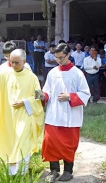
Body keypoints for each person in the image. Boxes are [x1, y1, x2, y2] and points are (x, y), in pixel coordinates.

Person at [0, 49, 44, 176]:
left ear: (24, 61)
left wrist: (25, 102)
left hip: (25, 115)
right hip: (9, 116)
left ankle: (22, 172)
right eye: (12, 62)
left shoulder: (31, 77)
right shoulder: (7, 74)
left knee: (23, 141)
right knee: (11, 141)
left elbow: (39, 96)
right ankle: (12, 173)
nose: (14, 65)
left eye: (17, 62)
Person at [41, 43, 91, 182]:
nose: (58, 60)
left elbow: (86, 93)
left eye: (61, 57)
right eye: (56, 57)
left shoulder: (77, 73)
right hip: (54, 114)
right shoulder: (53, 72)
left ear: (68, 55)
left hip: (71, 115)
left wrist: (70, 97)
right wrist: (43, 96)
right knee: (51, 142)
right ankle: (54, 170)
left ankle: (68, 171)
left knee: (69, 144)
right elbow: (48, 90)